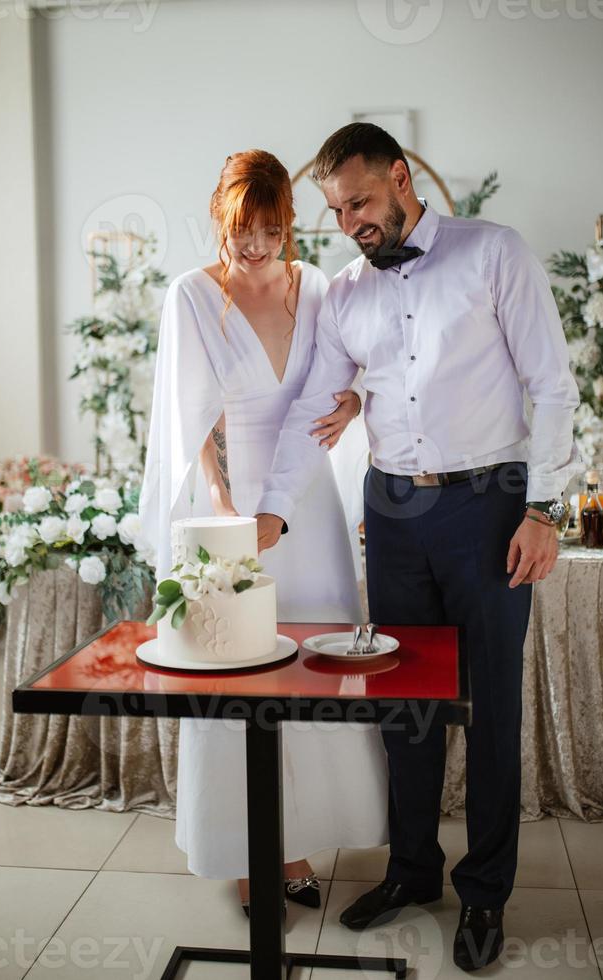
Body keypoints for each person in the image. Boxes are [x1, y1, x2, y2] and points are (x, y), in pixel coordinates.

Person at [255, 124, 580, 971]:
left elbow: (551, 386)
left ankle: (483, 895)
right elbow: (310, 412)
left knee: (489, 709)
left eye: (360, 201)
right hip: (390, 513)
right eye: (335, 211)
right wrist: (269, 513)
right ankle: (411, 871)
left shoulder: (493, 253)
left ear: (400, 178)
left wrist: (543, 508)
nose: (350, 223)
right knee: (404, 708)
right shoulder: (346, 295)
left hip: (488, 507)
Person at [139, 149, 388, 916]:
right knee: (240, 671)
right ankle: (249, 854)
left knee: (311, 668)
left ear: (289, 225)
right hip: (233, 506)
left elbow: (355, 365)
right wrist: (228, 513)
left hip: (307, 501)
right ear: (221, 220)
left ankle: (300, 840)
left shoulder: (315, 286)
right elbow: (192, 422)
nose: (255, 248)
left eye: (271, 231)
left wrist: (352, 402)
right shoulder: (192, 295)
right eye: (242, 231)